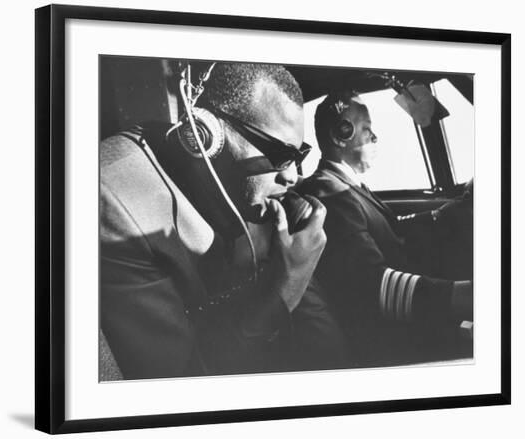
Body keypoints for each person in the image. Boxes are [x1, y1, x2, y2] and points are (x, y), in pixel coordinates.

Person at [99, 62, 348, 381]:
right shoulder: (116, 203)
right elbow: (178, 384)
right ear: (204, 134)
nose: (292, 176)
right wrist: (288, 285)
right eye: (279, 153)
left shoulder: (253, 198)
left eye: (298, 156)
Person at [299, 91, 473, 367]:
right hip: (387, 341)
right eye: (366, 129)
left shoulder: (348, 186)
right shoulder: (329, 193)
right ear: (339, 134)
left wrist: (440, 215)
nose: (375, 137)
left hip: (397, 326)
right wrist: (464, 296)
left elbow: (389, 228)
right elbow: (371, 285)